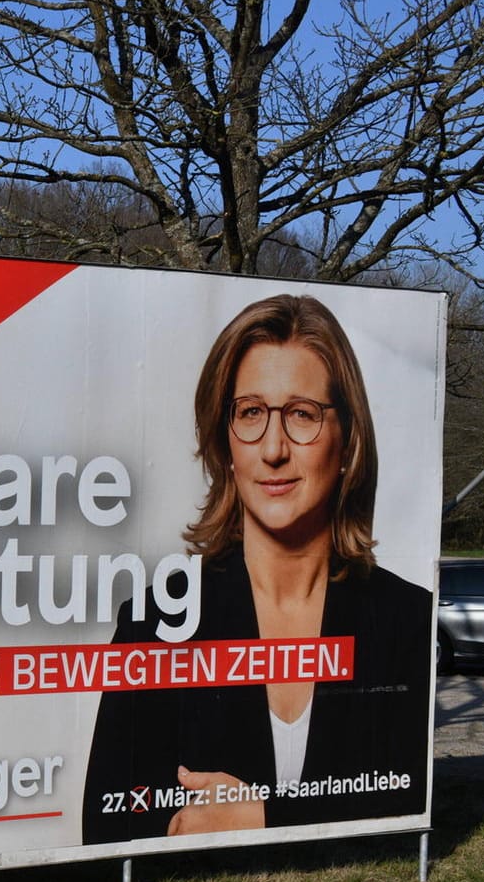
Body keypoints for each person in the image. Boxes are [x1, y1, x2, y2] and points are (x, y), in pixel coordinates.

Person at [82, 294, 430, 844]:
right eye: (250, 413)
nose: (273, 448)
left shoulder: (408, 619)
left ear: (348, 443)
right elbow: (104, 824)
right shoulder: (157, 619)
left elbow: (410, 803)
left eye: (301, 414)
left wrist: (266, 818)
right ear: (224, 441)